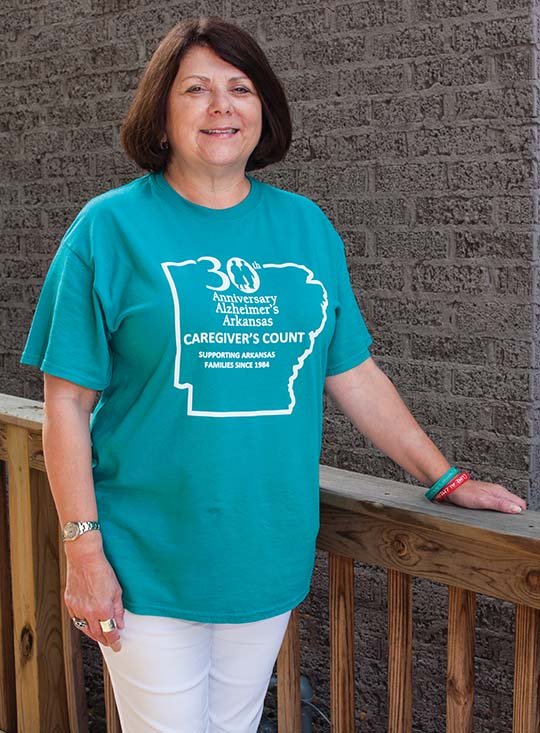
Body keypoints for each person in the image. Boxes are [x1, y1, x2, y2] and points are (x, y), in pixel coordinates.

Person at [19, 15, 527, 733]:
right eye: (195, 89)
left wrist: (446, 476)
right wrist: (83, 548)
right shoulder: (108, 230)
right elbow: (66, 403)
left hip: (265, 551)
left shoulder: (305, 229)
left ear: (265, 110)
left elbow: (352, 372)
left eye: (241, 87)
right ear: (161, 112)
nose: (221, 106)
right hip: (144, 558)